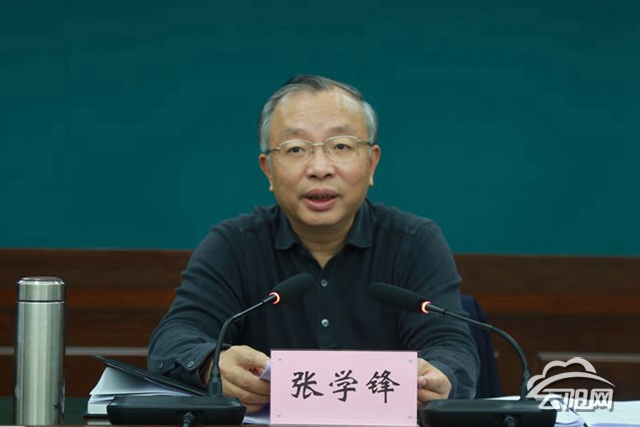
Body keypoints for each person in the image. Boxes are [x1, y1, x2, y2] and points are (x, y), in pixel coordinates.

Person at [148, 74, 479, 413]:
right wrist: (211, 364)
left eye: (341, 146)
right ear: (268, 170)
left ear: (371, 163)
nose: (320, 168)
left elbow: (450, 345)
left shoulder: (414, 242)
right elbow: (174, 339)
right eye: (295, 149)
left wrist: (440, 376)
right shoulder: (233, 245)